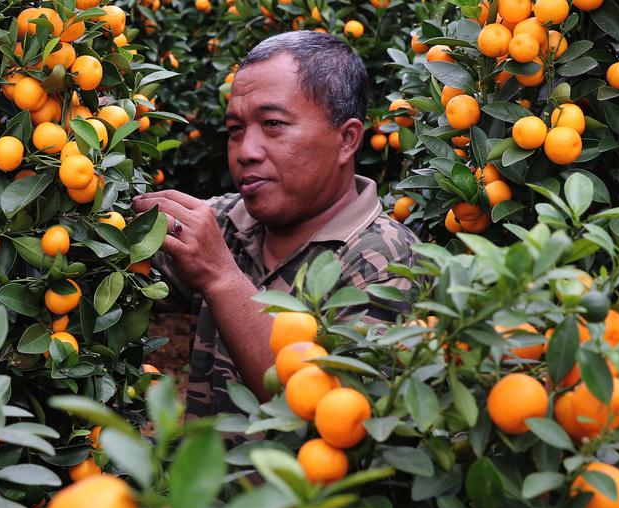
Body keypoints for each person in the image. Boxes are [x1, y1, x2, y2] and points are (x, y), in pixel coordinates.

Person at [132, 31, 418, 419]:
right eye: (235, 130)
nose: (246, 151)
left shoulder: (390, 262)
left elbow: (328, 418)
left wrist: (220, 278)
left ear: (347, 138)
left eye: (272, 123)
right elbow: (111, 267)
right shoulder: (227, 224)